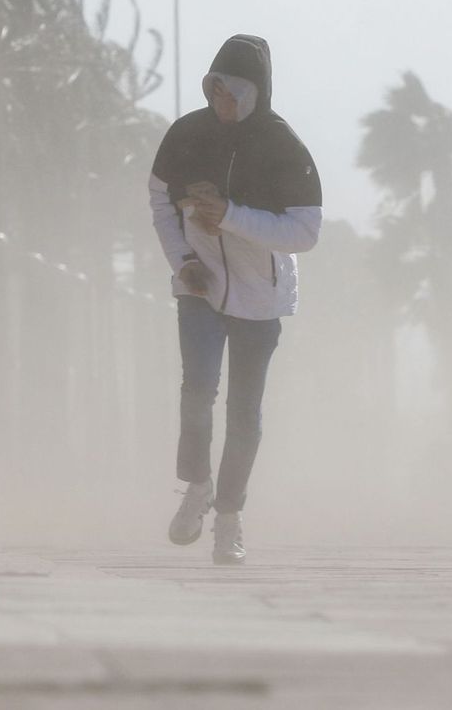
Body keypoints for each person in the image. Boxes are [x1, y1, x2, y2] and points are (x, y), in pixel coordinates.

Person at [148, 35, 322, 564]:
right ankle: (195, 489)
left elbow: (305, 232)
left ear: (256, 93)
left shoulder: (282, 146)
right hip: (198, 288)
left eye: (234, 94)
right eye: (216, 91)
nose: (223, 105)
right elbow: (159, 200)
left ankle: (228, 516)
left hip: (259, 296)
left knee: (244, 413)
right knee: (197, 393)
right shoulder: (186, 135)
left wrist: (229, 216)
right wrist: (184, 261)